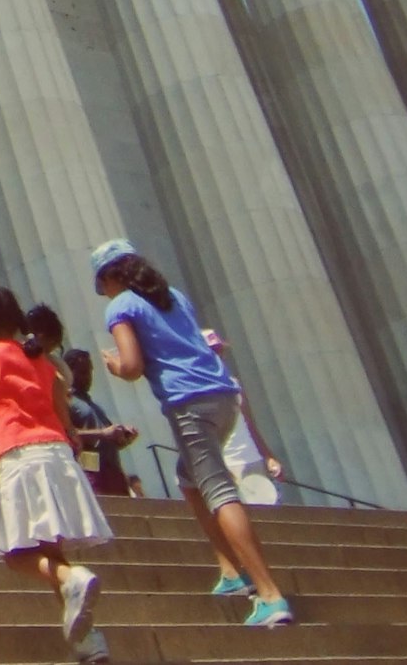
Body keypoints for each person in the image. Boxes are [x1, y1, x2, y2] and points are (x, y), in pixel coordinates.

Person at [93, 239, 292, 628]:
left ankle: (270, 594)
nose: (105, 293)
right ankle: (232, 573)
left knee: (217, 490)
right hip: (223, 397)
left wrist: (116, 367)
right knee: (189, 480)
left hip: (189, 403)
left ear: (110, 276)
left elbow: (133, 366)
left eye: (102, 285)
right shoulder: (175, 297)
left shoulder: (120, 307)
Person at [0, 281, 114, 664]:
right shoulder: (38, 358)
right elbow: (61, 404)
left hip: (18, 456)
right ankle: (89, 643)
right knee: (50, 549)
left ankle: (73, 580)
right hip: (56, 454)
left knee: (14, 550)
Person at [202, 328, 283, 508]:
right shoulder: (197, 389)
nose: (217, 355)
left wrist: (268, 456)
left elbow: (248, 423)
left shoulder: (233, 383)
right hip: (226, 462)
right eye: (211, 351)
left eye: (218, 350)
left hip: (252, 458)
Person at [62, 349, 136, 498]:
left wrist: (121, 437)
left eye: (90, 372)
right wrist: (103, 433)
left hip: (112, 469)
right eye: (83, 372)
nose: (88, 377)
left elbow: (106, 438)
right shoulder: (66, 400)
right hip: (89, 468)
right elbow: (64, 434)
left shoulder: (91, 404)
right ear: (69, 371)